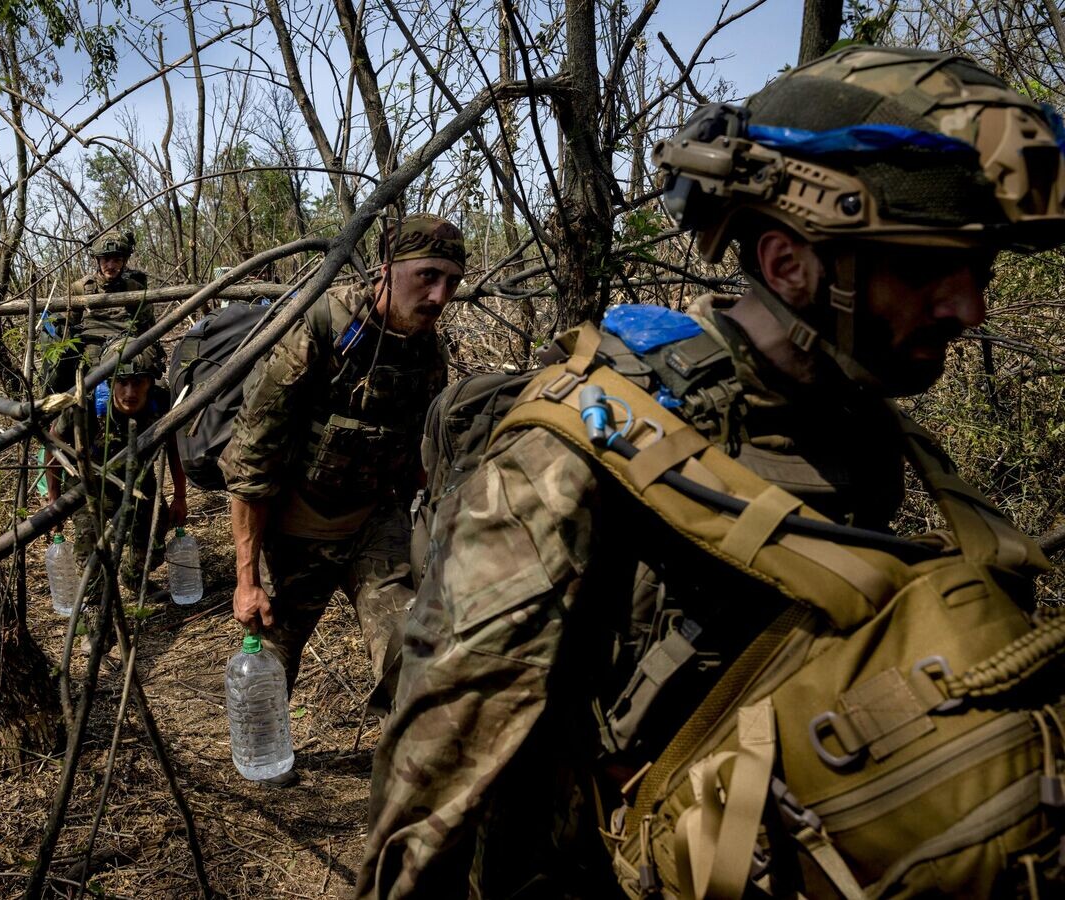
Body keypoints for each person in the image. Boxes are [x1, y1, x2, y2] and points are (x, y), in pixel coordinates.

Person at [358, 48, 1065, 899]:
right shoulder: (577, 450)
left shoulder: (860, 417)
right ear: (787, 264)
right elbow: (436, 771)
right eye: (923, 268)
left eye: (979, 267)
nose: (969, 309)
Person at [218, 213, 466, 772]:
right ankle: (262, 757)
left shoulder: (430, 352)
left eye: (451, 282)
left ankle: (414, 769)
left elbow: (422, 455)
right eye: (427, 275)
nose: (439, 295)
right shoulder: (321, 328)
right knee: (273, 656)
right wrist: (246, 579)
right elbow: (253, 457)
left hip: (374, 524)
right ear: (387, 268)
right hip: (297, 525)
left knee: (410, 639)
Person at [46, 343, 187, 653]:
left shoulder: (161, 402)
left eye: (138, 381)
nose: (129, 391)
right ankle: (98, 624)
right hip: (88, 491)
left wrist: (179, 495)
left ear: (151, 381)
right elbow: (53, 446)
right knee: (92, 559)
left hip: (139, 484)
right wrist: (53, 499)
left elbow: (174, 448)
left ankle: (132, 578)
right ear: (109, 382)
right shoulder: (83, 405)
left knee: (152, 547)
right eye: (121, 382)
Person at [43, 229, 155, 394]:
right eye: (106, 260)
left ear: (124, 261)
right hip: (91, 355)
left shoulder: (135, 288)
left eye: (117, 260)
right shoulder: (80, 288)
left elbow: (148, 329)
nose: (111, 265)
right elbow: (67, 326)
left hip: (128, 351)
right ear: (97, 260)